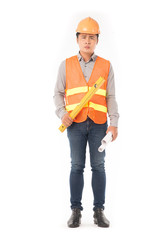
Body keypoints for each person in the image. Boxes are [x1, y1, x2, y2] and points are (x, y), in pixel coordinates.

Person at [53, 17, 119, 228]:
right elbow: (58, 93)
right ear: (77, 39)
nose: (87, 41)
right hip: (75, 124)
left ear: (97, 40)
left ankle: (99, 211)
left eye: (92, 37)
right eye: (84, 37)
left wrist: (114, 123)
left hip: (99, 124)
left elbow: (111, 97)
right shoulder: (66, 65)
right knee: (76, 166)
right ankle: (75, 211)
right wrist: (62, 113)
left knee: (99, 166)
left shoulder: (106, 66)